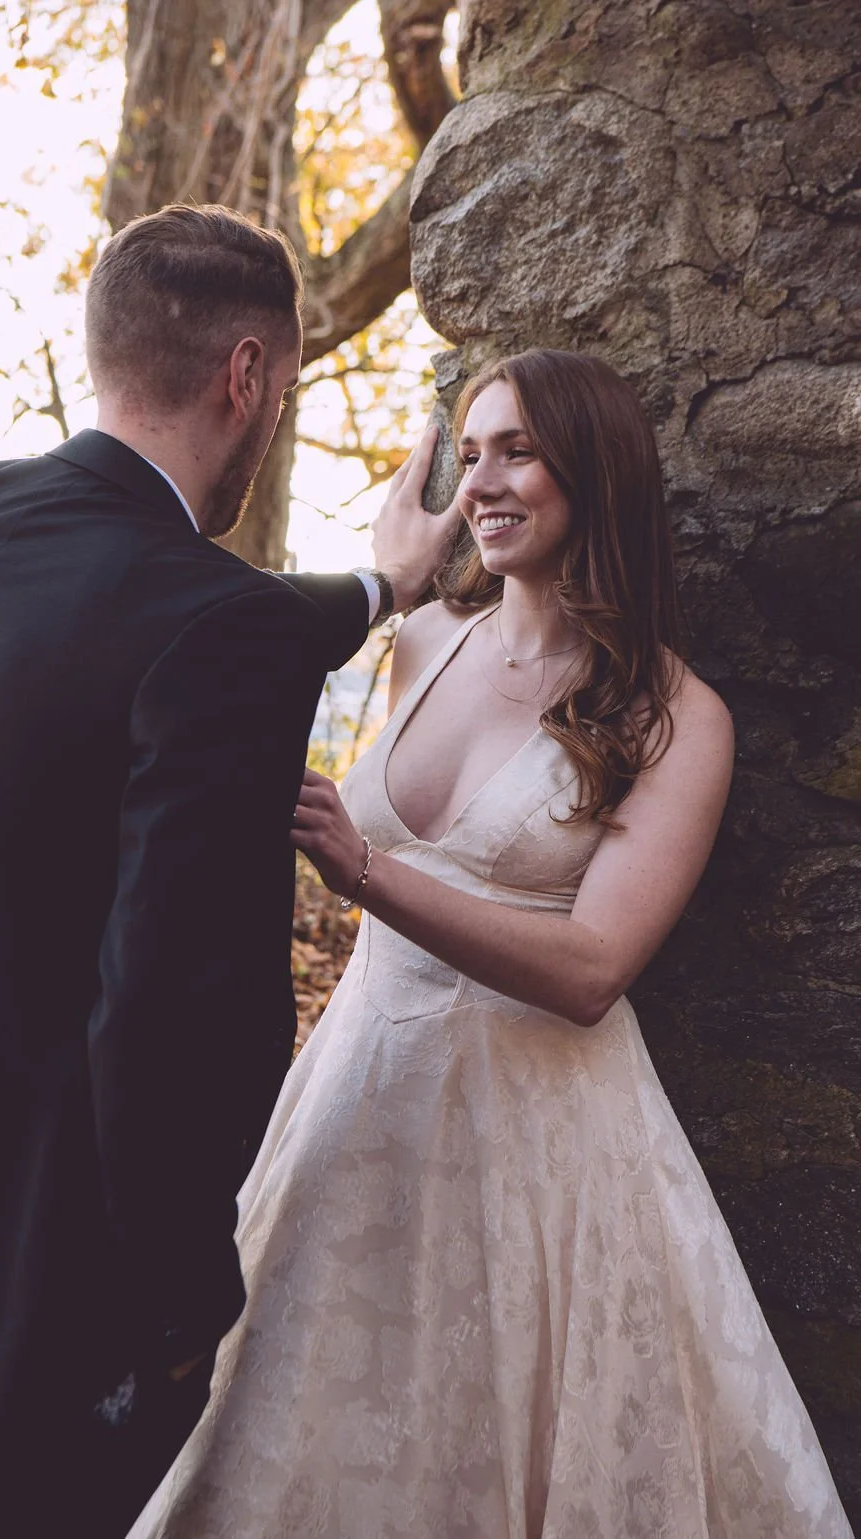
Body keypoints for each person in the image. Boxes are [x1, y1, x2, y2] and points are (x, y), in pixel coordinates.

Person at [129, 348, 854, 1539]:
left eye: (517, 450)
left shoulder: (673, 715)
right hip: (355, 1106)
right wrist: (380, 576)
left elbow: (590, 970)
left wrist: (366, 871)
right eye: (470, 456)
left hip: (546, 1148)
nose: (485, 483)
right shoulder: (419, 643)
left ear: (596, 472)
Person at [0, 204, 457, 1539]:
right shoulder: (218, 630)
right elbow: (177, 1003)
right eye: (280, 392)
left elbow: (157, 615)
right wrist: (182, 1306)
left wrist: (374, 587)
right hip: (55, 1274)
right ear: (245, 376)